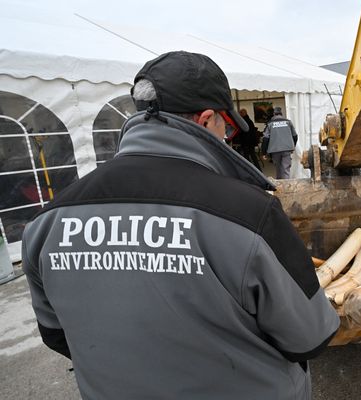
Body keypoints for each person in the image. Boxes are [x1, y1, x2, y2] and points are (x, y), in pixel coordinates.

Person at [21, 51, 339, 400]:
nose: (227, 137)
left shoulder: (47, 222)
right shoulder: (250, 214)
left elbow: (56, 333)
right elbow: (310, 336)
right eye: (227, 127)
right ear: (206, 120)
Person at [261, 106, 297, 179]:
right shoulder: (288, 122)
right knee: (286, 169)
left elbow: (265, 139)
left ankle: (279, 185)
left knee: (278, 168)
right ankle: (287, 186)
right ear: (281, 113)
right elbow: (295, 136)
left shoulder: (270, 124)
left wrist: (264, 152)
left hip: (275, 150)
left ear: (274, 114)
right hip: (287, 149)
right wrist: (293, 146)